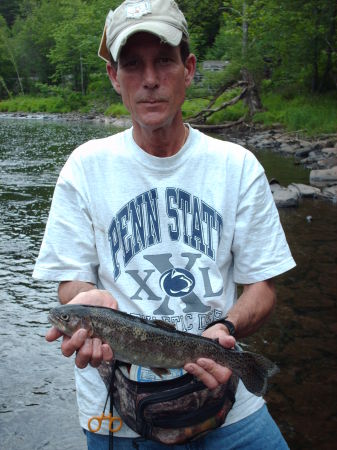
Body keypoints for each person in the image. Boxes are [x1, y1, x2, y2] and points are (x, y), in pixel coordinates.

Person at [33, 1, 296, 449]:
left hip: (231, 408)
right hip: (118, 417)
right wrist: (83, 300)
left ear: (188, 69)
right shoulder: (84, 167)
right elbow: (71, 281)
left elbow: (262, 287)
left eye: (165, 61)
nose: (150, 80)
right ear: (115, 77)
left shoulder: (238, 166)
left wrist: (226, 330)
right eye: (133, 65)